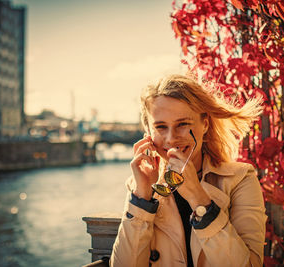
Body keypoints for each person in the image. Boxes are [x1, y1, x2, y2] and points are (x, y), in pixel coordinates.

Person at [111, 74, 267, 267]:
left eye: (183, 124)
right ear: (148, 132)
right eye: (160, 127)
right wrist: (142, 198)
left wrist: (199, 198)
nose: (171, 139)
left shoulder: (240, 179)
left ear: (205, 124)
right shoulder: (141, 185)